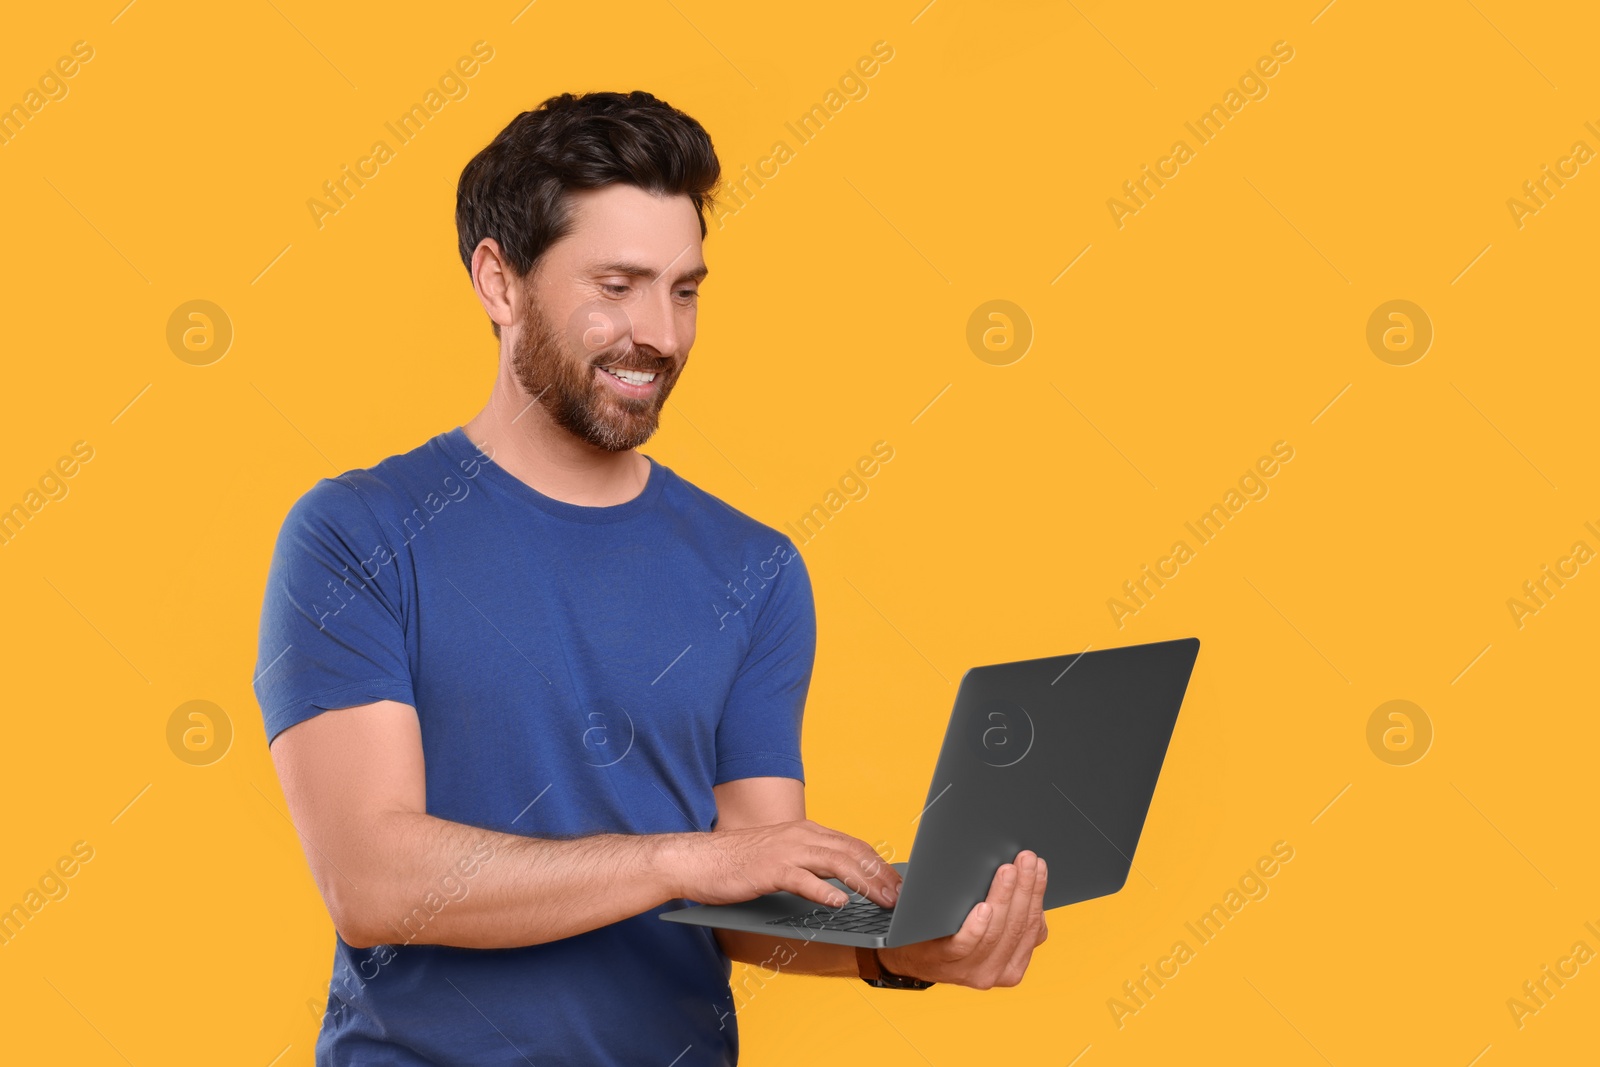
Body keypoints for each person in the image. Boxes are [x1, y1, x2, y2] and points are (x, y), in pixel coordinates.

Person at [253, 89, 1048, 1066]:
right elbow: (372, 881)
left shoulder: (752, 567)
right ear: (499, 282)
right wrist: (683, 856)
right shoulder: (357, 533)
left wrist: (897, 945)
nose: (661, 337)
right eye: (618, 284)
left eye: (683, 289)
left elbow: (749, 900)